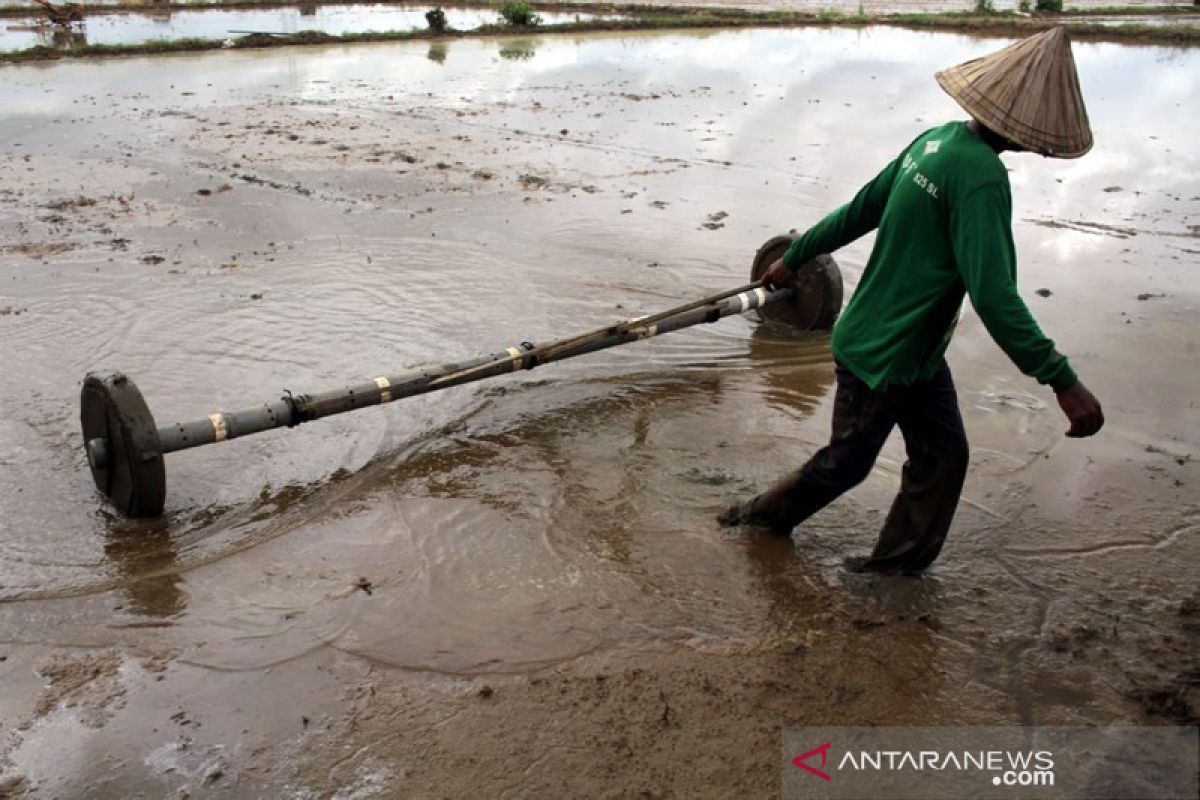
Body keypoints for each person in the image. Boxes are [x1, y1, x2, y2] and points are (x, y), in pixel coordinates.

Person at [718, 27, 1104, 574]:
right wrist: (1061, 379)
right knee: (844, 465)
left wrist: (799, 252)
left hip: (910, 351)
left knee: (943, 457)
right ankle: (753, 520)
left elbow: (859, 209)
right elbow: (994, 297)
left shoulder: (936, 140)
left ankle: (895, 568)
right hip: (885, 357)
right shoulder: (982, 179)